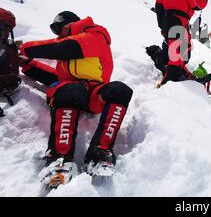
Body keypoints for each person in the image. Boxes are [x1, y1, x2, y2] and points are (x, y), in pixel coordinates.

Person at [18, 11, 133, 187]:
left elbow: (65, 47)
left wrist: (24, 48)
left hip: (94, 94)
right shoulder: (69, 54)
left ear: (69, 24)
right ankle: (60, 159)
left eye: (57, 28)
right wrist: (28, 64)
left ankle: (100, 151)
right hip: (71, 94)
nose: (57, 34)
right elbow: (57, 76)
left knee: (120, 90)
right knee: (71, 88)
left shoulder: (95, 35)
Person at [154, 0, 210, 85]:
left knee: (177, 49)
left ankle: (180, 73)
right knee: (180, 51)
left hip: (167, 18)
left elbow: (158, 5)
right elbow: (198, 4)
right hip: (180, 19)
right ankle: (171, 79)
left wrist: (162, 25)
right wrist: (205, 0)